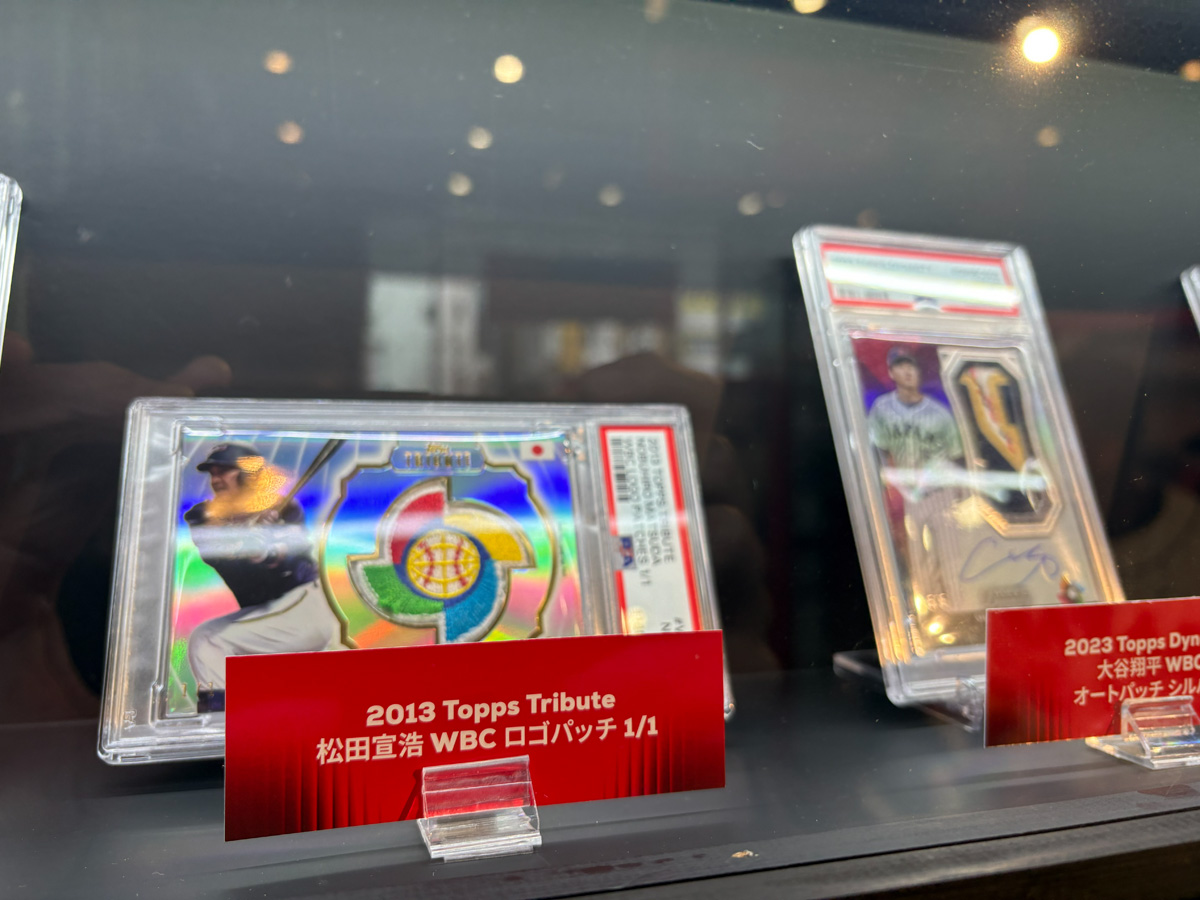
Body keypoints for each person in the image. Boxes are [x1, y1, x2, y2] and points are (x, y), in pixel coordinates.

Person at [184, 443, 344, 712]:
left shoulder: (285, 509)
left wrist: (265, 546)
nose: (216, 479)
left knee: (207, 641)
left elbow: (289, 557)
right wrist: (246, 533)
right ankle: (234, 720)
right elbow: (219, 546)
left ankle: (219, 725)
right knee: (213, 642)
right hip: (268, 612)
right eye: (213, 472)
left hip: (301, 607)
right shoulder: (202, 515)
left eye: (224, 471)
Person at [867, 347, 963, 471]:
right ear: (891, 372)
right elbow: (878, 451)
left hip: (935, 481)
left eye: (911, 366)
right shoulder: (882, 407)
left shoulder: (940, 412)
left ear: (918, 372)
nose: (907, 372)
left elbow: (956, 457)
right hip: (898, 479)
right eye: (900, 366)